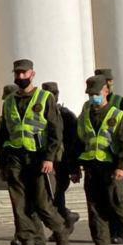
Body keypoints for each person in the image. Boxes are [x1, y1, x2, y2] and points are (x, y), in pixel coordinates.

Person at [0, 58, 72, 245]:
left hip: (38, 158)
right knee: (20, 207)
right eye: (17, 73)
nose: (20, 77)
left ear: (32, 74)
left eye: (24, 73)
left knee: (42, 204)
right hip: (16, 160)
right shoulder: (10, 101)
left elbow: (56, 131)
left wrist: (50, 158)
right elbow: (2, 130)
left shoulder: (45, 98)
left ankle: (61, 231)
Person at [70, 75, 123, 245]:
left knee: (116, 202)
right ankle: (102, 244)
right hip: (91, 167)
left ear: (106, 91)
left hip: (111, 167)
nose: (93, 97)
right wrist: (75, 168)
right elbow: (78, 143)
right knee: (94, 206)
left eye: (96, 93)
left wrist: (122, 166)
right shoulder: (85, 115)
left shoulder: (117, 115)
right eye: (90, 94)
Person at [95, 68, 123, 243]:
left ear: (110, 83)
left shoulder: (121, 103)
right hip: (99, 160)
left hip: (117, 160)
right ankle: (109, 234)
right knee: (104, 199)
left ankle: (120, 231)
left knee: (117, 197)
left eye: (107, 81)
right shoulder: (90, 107)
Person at [42, 82, 81, 230]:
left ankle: (64, 221)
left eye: (53, 94)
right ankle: (66, 219)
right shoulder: (39, 114)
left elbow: (73, 144)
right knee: (52, 197)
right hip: (46, 162)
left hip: (62, 164)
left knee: (55, 195)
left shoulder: (66, 116)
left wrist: (74, 169)